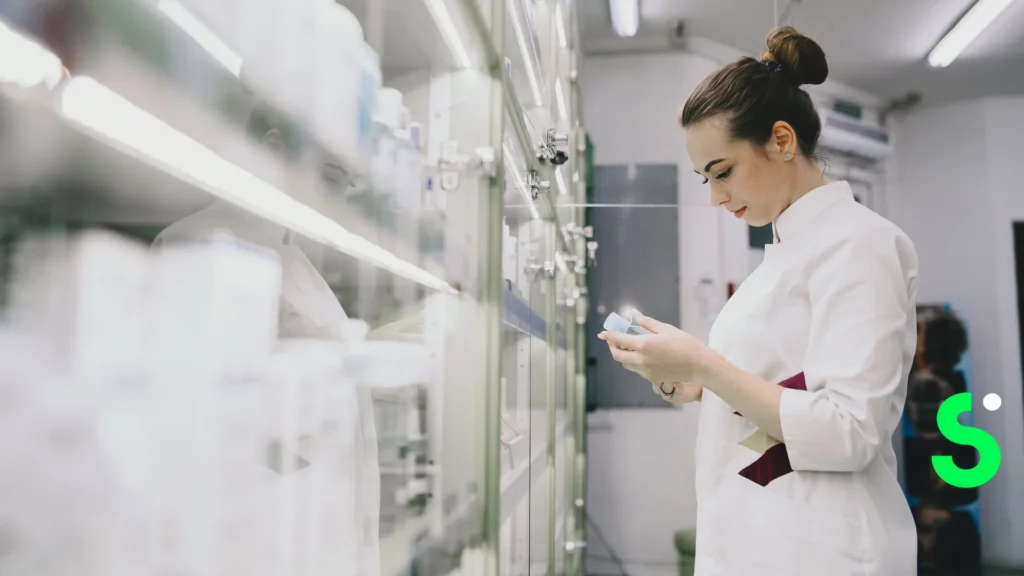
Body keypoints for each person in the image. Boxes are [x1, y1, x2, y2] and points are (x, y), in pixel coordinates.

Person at [599, 26, 918, 575]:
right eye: (706, 180)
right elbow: (785, 387)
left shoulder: (863, 244)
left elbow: (851, 430)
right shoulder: (785, 255)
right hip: (769, 538)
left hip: (825, 550)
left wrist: (708, 366)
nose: (718, 197)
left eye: (723, 172)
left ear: (782, 140)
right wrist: (695, 383)